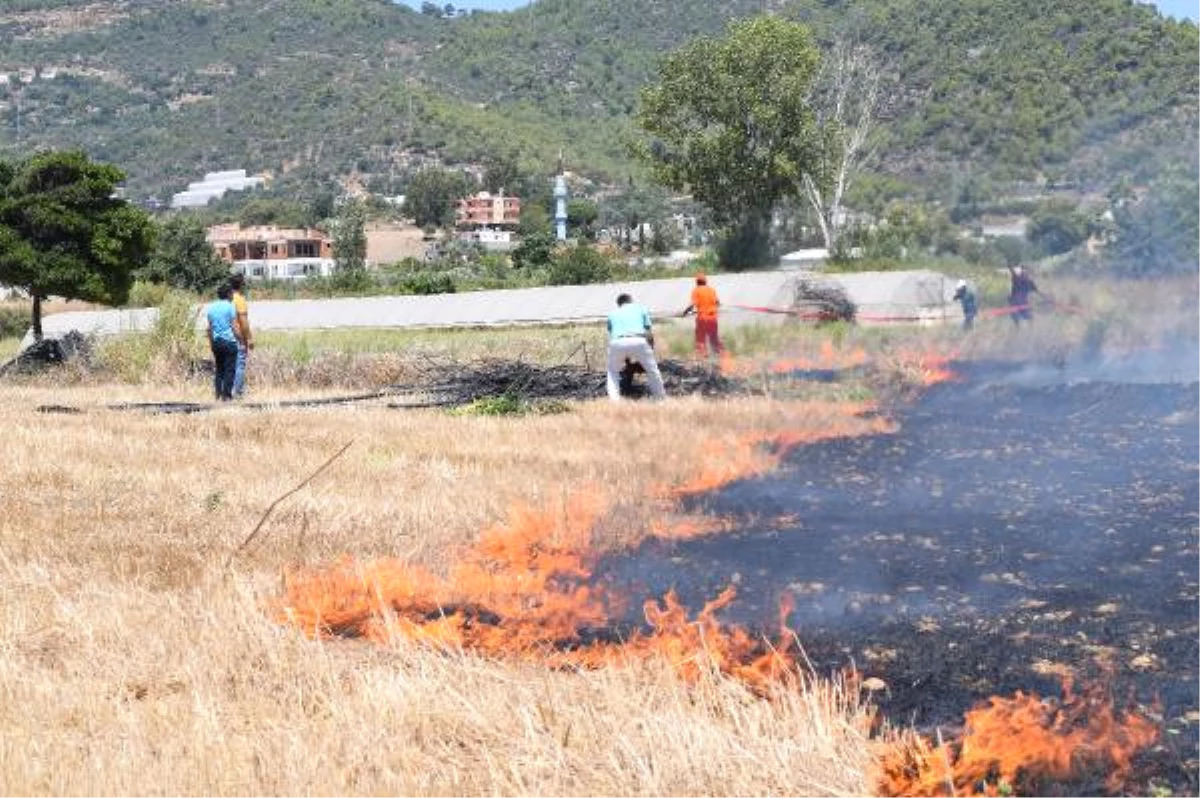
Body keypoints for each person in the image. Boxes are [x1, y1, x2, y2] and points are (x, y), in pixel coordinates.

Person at [606, 293, 665, 401]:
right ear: (631, 301)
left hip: (617, 341)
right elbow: (648, 332)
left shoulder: (612, 313)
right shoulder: (641, 309)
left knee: (612, 372)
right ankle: (660, 399)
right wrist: (650, 349)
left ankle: (614, 401)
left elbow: (611, 333)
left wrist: (625, 358)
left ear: (619, 304)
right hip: (638, 339)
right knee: (652, 371)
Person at [206, 284, 243, 401]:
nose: (232, 295)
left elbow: (210, 328)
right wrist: (241, 339)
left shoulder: (211, 308)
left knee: (219, 369)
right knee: (230, 370)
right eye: (231, 293)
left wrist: (211, 343)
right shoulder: (230, 307)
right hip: (229, 342)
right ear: (228, 294)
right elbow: (234, 326)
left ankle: (217, 394)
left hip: (216, 342)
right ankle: (227, 396)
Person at [682, 272, 723, 357]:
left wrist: (685, 312)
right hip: (713, 318)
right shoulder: (712, 290)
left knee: (700, 338)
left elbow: (692, 305)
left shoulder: (696, 290)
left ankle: (702, 356)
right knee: (714, 337)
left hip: (702, 318)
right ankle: (718, 354)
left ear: (697, 282)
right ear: (705, 281)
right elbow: (718, 303)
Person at [229, 272, 253, 397]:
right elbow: (243, 322)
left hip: (227, 337)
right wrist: (249, 338)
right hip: (238, 337)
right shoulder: (240, 300)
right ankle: (237, 392)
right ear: (241, 285)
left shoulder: (227, 300)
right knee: (239, 365)